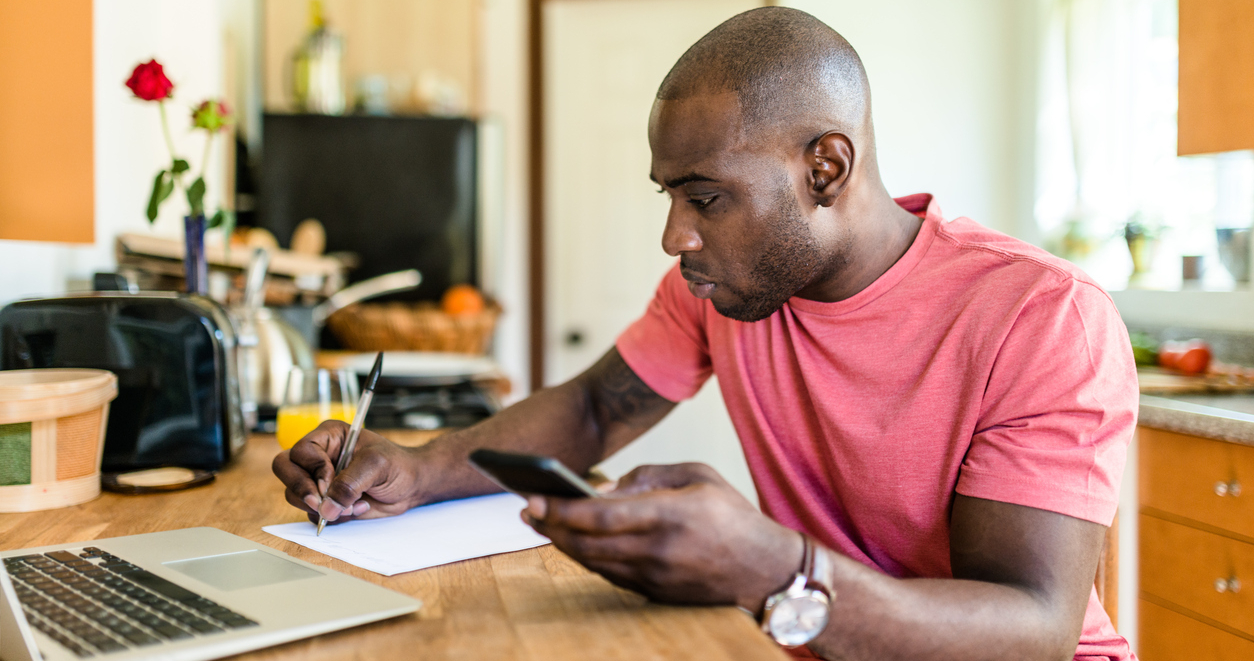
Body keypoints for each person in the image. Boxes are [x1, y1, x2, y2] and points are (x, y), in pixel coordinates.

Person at [273, 7, 1138, 660]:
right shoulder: (727, 285)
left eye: (706, 197)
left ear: (825, 168)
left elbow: (1032, 627)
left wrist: (772, 566)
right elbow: (593, 408)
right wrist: (419, 470)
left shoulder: (1039, 315)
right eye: (670, 197)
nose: (677, 236)